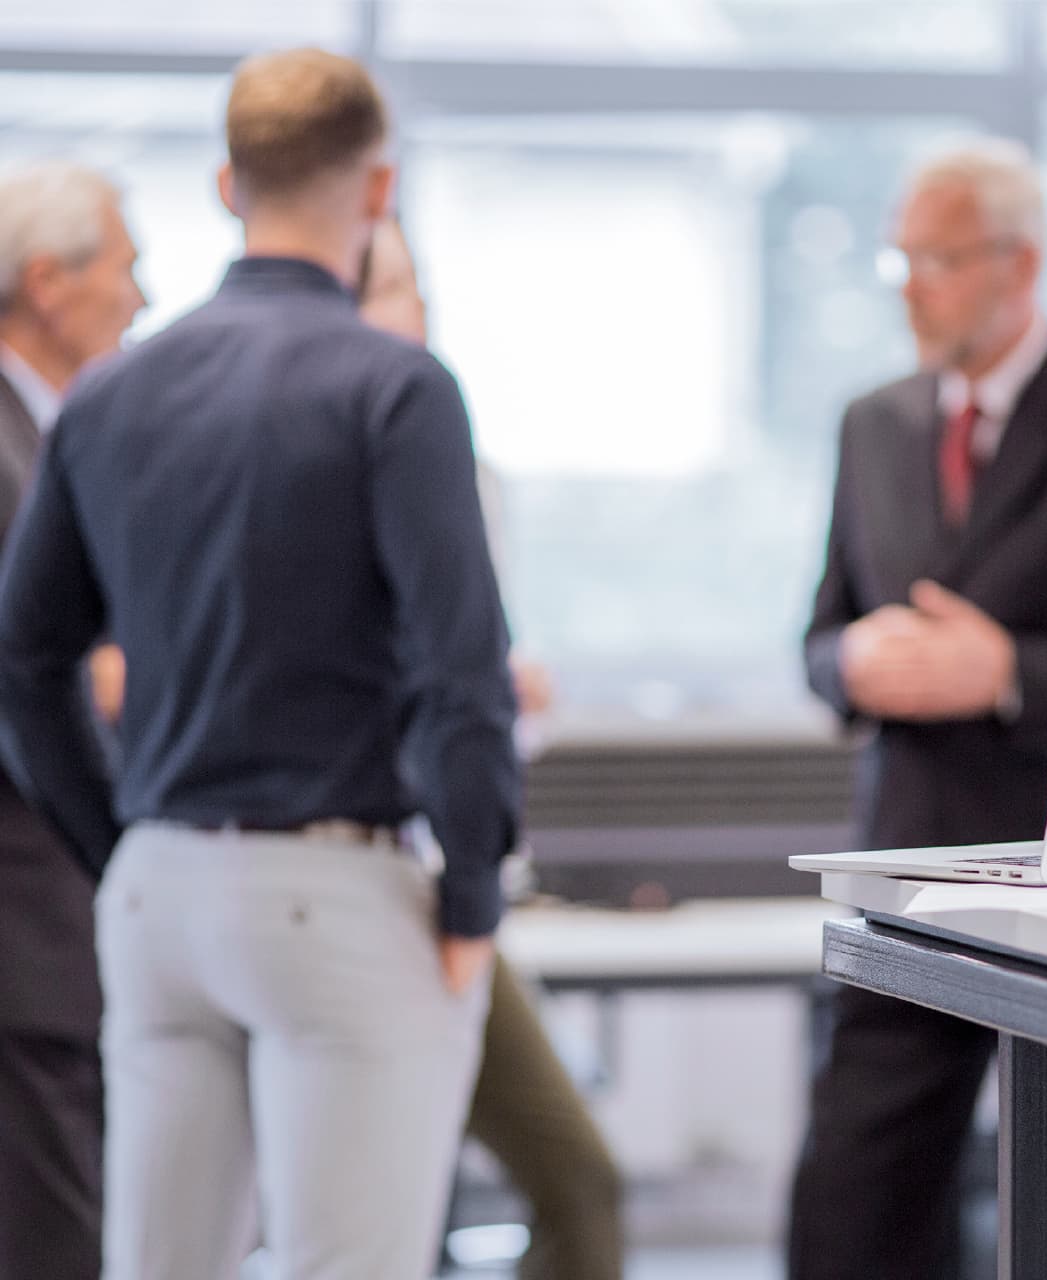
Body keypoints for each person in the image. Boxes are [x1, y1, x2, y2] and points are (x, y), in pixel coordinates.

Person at [0, 48, 519, 1280]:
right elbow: (461, 670)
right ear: (377, 190)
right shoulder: (395, 388)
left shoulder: (113, 395)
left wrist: (115, 837)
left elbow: (24, 660)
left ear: (228, 186)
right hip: (331, 893)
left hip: (158, 896)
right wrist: (473, 893)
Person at [787, 138, 1047, 1280]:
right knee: (854, 1185)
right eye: (900, 258)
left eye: (938, 257)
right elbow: (819, 636)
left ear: (1022, 264)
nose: (911, 282)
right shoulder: (871, 420)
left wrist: (1010, 672)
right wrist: (852, 662)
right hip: (910, 856)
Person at [359, 216, 623, 1280]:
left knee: (572, 1182)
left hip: (447, 876)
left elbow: (472, 681)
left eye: (405, 287)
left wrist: (504, 703)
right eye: (377, 287)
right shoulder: (277, 466)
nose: (397, 314)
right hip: (362, 883)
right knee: (388, 1211)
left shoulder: (467, 474)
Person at [0, 159, 144, 1280]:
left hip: (66, 898)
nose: (139, 299)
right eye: (126, 268)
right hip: (25, 902)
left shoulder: (64, 432)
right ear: (48, 282)